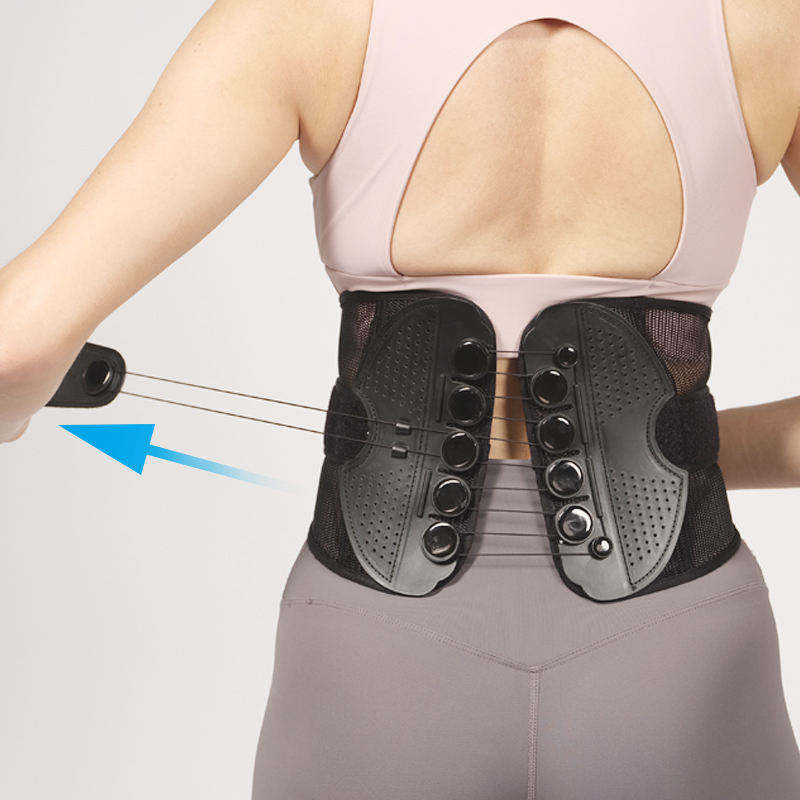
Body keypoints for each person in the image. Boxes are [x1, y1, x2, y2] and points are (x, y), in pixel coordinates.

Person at [2, 0, 800, 797]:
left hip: (376, 651)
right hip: (680, 649)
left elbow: (16, 344)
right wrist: (666, 449)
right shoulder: (767, 27)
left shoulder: (303, 19)